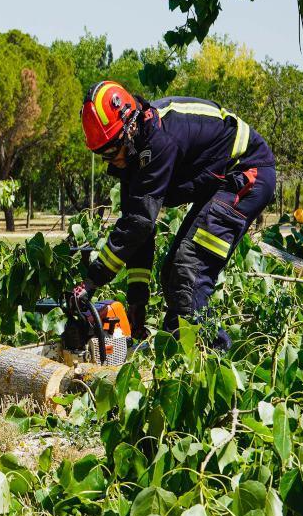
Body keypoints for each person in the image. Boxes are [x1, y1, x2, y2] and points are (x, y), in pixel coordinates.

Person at [72, 82, 276, 349]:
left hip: (247, 174)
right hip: (220, 182)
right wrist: (138, 300)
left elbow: (139, 223)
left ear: (130, 127)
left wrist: (92, 280)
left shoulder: (160, 140)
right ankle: (183, 352)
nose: (110, 160)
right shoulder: (132, 156)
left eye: (111, 150)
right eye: (101, 154)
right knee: (171, 272)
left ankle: (206, 358)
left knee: (187, 271)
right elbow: (139, 232)